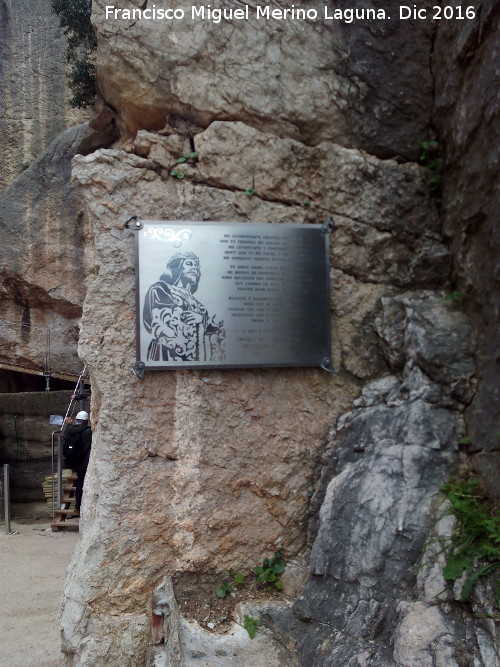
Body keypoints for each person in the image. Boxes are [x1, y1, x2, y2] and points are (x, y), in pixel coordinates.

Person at [143, 251, 225, 362]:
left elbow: (215, 330)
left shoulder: (199, 305)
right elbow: (162, 325)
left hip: (196, 357)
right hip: (167, 353)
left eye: (196, 266)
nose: (194, 268)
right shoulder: (161, 289)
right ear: (178, 267)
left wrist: (201, 319)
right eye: (189, 264)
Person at [64, 410, 92, 517]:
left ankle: (77, 507)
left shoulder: (69, 430)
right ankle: (82, 507)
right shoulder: (88, 432)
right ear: (86, 421)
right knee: (83, 484)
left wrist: (69, 424)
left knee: (79, 484)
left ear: (76, 420)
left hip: (73, 462)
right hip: (84, 463)